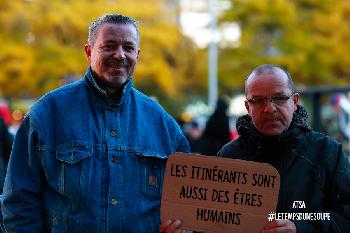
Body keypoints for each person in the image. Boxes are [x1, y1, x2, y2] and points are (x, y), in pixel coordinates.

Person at [2, 13, 190, 233]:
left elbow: (185, 205)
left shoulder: (162, 123)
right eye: (109, 46)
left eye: (128, 48)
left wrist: (181, 226)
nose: (120, 55)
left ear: (137, 54)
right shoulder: (46, 114)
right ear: (88, 52)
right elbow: (18, 204)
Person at [218, 64, 350, 233]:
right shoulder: (228, 157)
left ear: (294, 102)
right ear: (247, 107)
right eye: (258, 101)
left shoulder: (326, 152)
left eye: (279, 98)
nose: (269, 109)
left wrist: (300, 227)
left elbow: (346, 215)